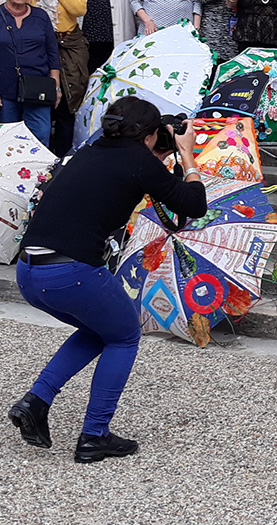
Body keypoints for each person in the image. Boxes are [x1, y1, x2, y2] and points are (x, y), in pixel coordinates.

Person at [7, 97, 207, 463]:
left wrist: (160, 153)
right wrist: (187, 154)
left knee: (99, 330)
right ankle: (94, 436)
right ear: (148, 136)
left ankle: (35, 402)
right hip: (71, 272)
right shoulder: (139, 162)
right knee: (125, 335)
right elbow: (194, 205)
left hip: (29, 272)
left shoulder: (89, 150)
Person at [30, 0, 89, 156]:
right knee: (43, 101)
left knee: (68, 103)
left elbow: (78, 8)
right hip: (40, 49)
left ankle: (64, 155)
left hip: (70, 47)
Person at [0, 0, 60, 145]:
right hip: (5, 88)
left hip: (38, 86)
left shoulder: (41, 16)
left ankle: (41, 173)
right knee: (7, 140)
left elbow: (52, 52)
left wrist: (55, 86)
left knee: (40, 135)